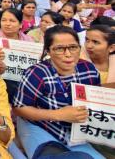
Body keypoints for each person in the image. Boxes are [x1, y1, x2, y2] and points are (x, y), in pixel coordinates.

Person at [13, 25, 104, 159]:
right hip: (40, 126)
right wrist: (58, 115)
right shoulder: (36, 73)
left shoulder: (89, 69)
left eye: (73, 47)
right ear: (48, 51)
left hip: (76, 130)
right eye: (59, 49)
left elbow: (95, 102)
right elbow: (19, 109)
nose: (68, 54)